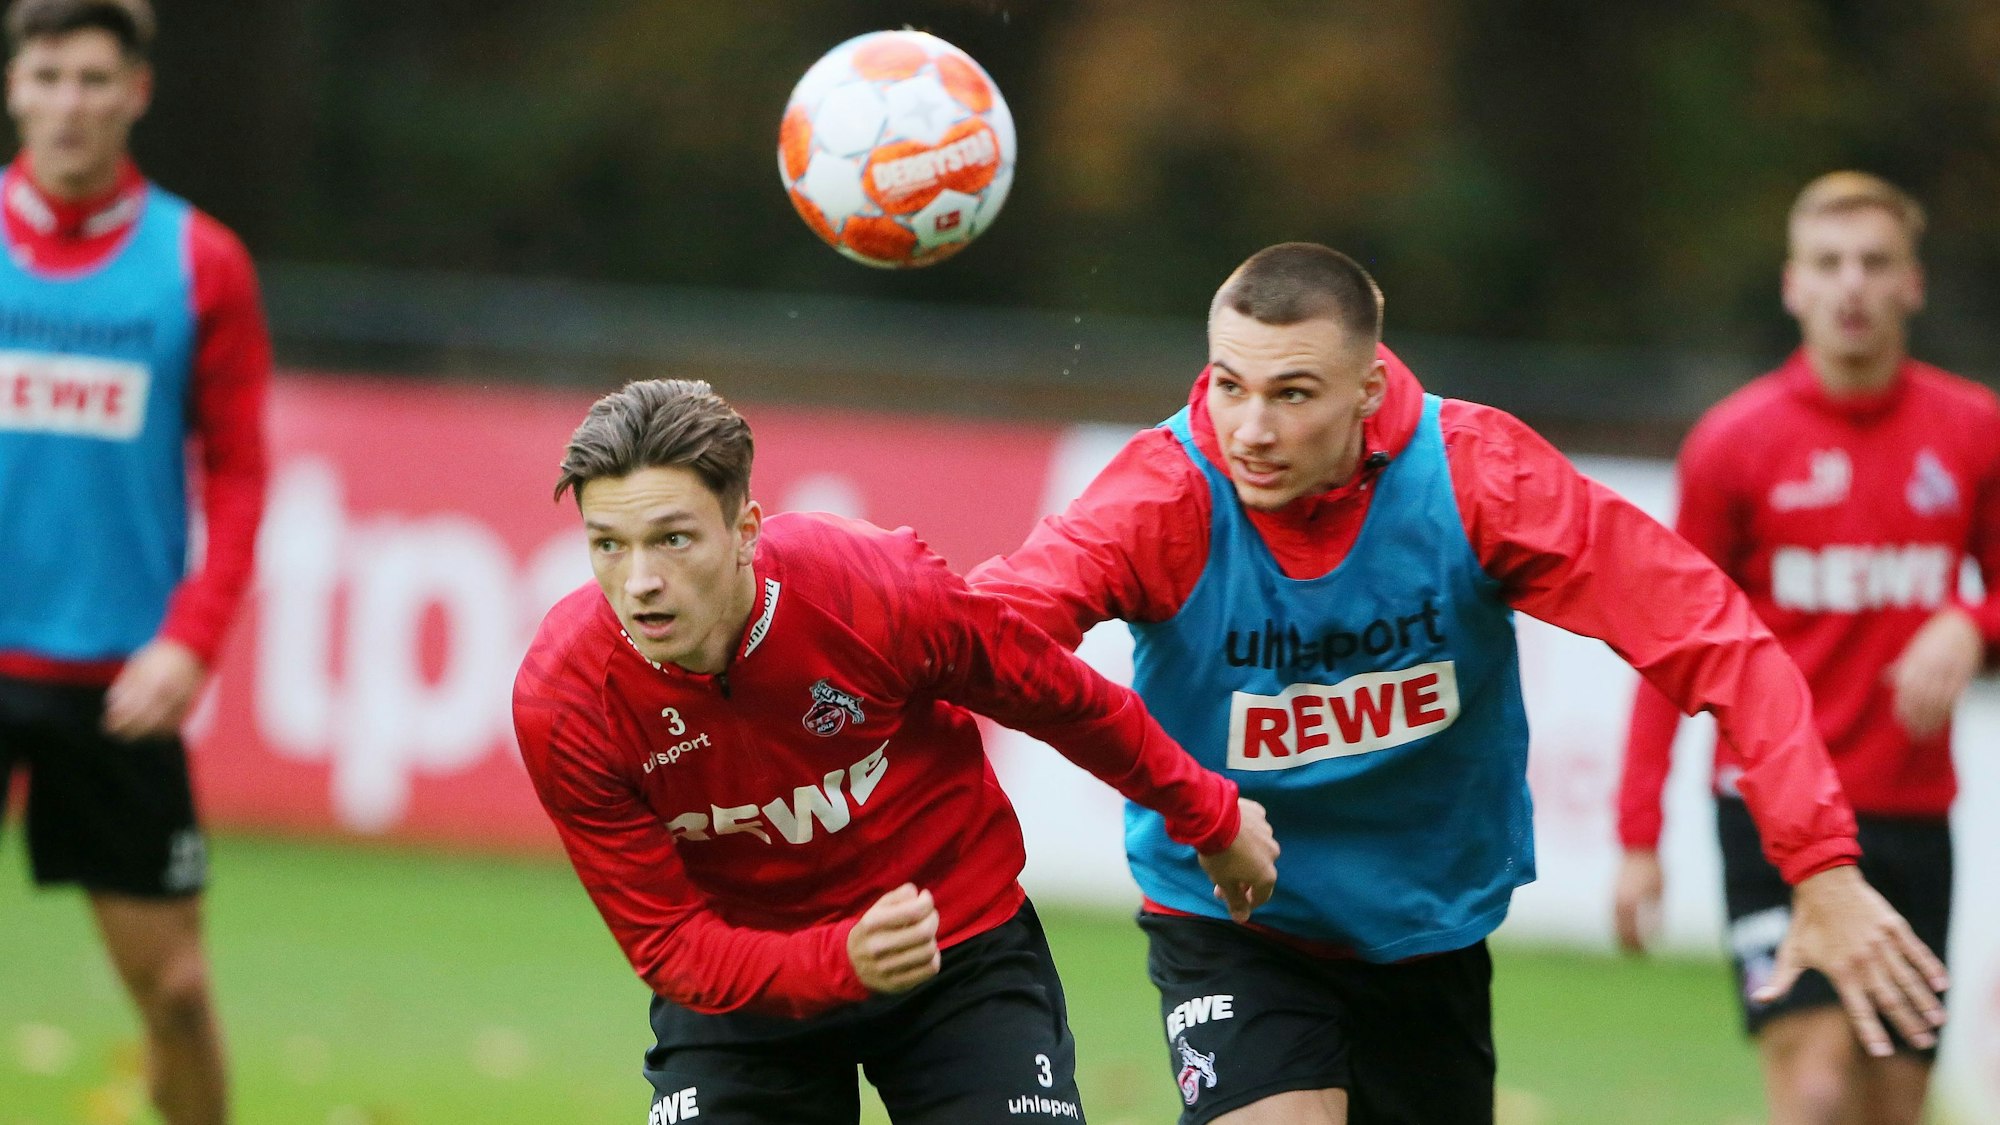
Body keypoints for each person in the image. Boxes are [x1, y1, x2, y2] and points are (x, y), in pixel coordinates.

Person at [966, 241, 1949, 1125]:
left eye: (1293, 394)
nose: (1250, 430)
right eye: (1228, 386)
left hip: (1424, 928)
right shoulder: (1159, 496)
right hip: (1234, 921)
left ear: (1367, 385)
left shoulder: (1479, 479)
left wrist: (1818, 862)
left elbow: (1710, 634)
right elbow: (987, 638)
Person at [511, 378, 1279, 1125]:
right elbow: (671, 943)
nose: (640, 580)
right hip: (743, 987)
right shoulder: (566, 700)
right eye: (607, 544)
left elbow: (1058, 696)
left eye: (672, 538)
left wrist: (1208, 812)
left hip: (955, 944)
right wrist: (839, 960)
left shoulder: (870, 585)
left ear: (744, 529)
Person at [1614, 172, 1998, 1125]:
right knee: (1819, 1083)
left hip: (1911, 811)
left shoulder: (1974, 432)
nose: (1851, 286)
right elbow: (1672, 644)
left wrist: (1973, 621)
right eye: (1829, 264)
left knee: (1891, 1101)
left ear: (1913, 284)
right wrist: (1637, 834)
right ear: (1794, 285)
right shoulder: (1734, 444)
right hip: (1771, 809)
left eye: (1875, 263)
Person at [0, 2, 270, 1123]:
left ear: (137, 92)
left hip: (117, 688)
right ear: (15, 86)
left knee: (176, 993)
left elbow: (242, 473)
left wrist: (190, 640)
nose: (70, 103)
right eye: (49, 75)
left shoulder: (197, 261)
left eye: (93, 80)